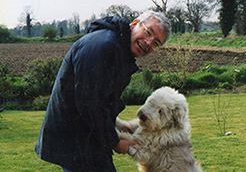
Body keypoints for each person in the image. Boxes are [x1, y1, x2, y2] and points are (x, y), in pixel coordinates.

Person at [34, 10, 171, 172]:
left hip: (86, 140)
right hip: (78, 143)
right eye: (148, 32)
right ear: (134, 24)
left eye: (156, 43)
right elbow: (90, 103)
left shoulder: (118, 49)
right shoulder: (103, 46)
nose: (149, 43)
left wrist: (117, 125)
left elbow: (103, 98)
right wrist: (115, 142)